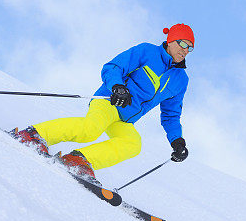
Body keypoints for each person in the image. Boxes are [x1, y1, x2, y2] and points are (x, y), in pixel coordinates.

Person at [12, 23, 193, 183]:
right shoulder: (147, 51)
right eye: (183, 44)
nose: (185, 50)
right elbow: (113, 67)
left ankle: (79, 160)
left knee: (132, 143)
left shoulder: (181, 80)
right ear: (171, 40)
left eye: (190, 48)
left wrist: (177, 141)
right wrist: (117, 87)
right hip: (109, 101)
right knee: (91, 129)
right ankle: (34, 134)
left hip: (125, 119)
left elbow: (171, 115)